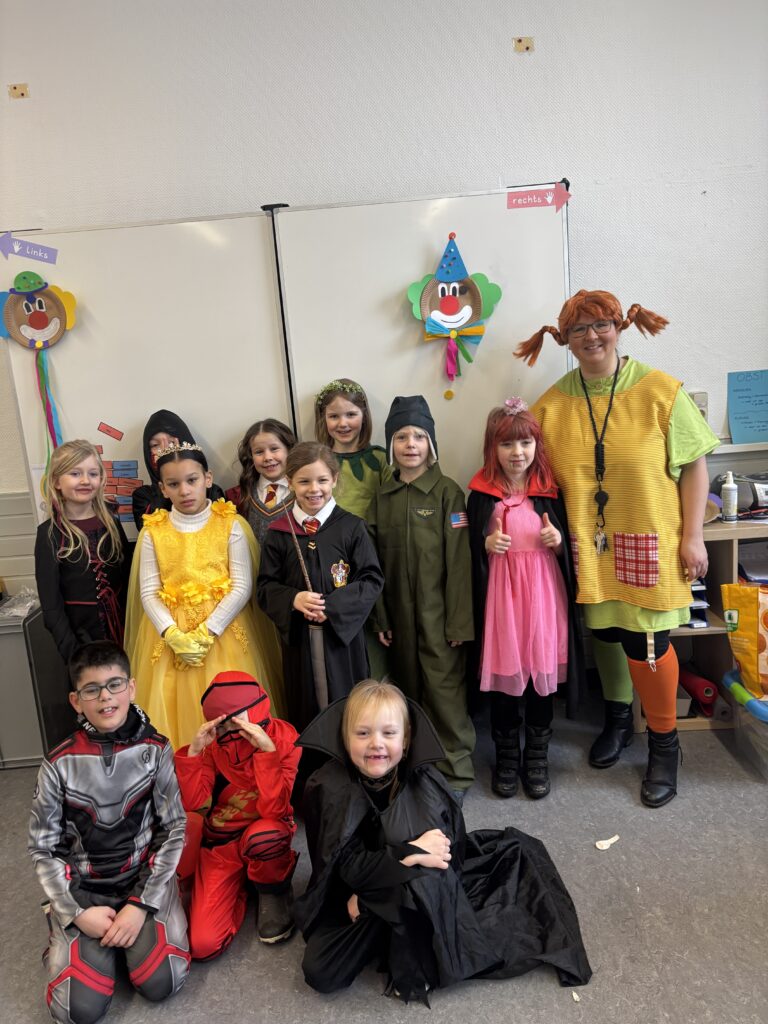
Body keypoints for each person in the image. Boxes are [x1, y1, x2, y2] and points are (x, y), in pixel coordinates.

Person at [516, 289, 719, 807]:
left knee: (645, 641)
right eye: (578, 329)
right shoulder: (552, 404)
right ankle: (618, 718)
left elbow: (695, 465)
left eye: (600, 325)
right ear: (564, 338)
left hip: (651, 536)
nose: (591, 337)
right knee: (604, 630)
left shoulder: (660, 391)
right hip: (588, 543)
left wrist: (693, 536)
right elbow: (528, 469)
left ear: (620, 327)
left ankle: (665, 745)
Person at [295, 680, 592, 1002]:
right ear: (345, 737)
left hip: (408, 893)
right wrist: (407, 854)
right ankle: (384, 924)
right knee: (321, 970)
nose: (375, 744)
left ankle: (395, 931)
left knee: (425, 875)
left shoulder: (424, 787)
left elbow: (437, 867)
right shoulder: (330, 786)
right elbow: (345, 866)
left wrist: (372, 897)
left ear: (406, 740)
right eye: (363, 733)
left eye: (388, 733)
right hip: (353, 890)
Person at [28, 641, 189, 1024]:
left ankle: (132, 930)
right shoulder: (57, 763)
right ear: (75, 700)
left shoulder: (157, 749)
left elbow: (173, 828)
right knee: (76, 1011)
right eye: (92, 689)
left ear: (131, 688)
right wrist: (77, 911)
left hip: (141, 883)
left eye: (115, 685)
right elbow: (43, 848)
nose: (105, 697)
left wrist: (140, 904)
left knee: (162, 981)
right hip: (85, 890)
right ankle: (63, 922)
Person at [125, 441, 284, 748]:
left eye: (192, 480)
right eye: (174, 484)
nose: (185, 490)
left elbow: (241, 586)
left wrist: (207, 631)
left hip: (223, 632)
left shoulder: (231, 524)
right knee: (174, 707)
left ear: (207, 479)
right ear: (163, 488)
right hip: (170, 636)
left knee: (232, 705)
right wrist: (172, 634)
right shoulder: (152, 531)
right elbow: (148, 591)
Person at [467, 400, 582, 800]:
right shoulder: (481, 494)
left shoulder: (549, 492)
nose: (517, 453)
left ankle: (536, 756)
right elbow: (467, 550)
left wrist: (557, 541)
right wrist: (485, 544)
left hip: (544, 598)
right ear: (492, 448)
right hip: (502, 601)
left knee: (540, 678)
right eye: (507, 444)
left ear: (537, 445)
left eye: (525, 443)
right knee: (506, 678)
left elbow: (569, 548)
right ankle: (506, 756)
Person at [368, 395, 475, 799]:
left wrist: (459, 623)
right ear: (390, 444)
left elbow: (459, 564)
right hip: (398, 619)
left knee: (445, 695)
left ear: (431, 442)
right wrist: (381, 617)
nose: (410, 444)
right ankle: (413, 769)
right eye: (400, 437)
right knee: (406, 694)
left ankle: (455, 773)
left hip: (440, 618)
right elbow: (374, 565)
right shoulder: (383, 497)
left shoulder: (447, 493)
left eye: (418, 436)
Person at [257, 442, 384, 731]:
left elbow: (371, 579)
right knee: (306, 709)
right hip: (300, 642)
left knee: (350, 709)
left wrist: (333, 606)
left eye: (322, 480)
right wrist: (293, 599)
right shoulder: (279, 533)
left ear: (335, 480)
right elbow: (265, 587)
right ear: (290, 482)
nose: (314, 489)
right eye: (304, 481)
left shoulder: (352, 527)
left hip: (343, 642)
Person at [175, 671, 301, 958]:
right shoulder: (214, 746)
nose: (231, 730)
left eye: (237, 720)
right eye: (223, 723)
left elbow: (275, 810)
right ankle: (242, 885)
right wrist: (194, 752)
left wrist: (267, 752)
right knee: (203, 945)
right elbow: (193, 802)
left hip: (265, 831)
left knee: (265, 837)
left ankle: (273, 888)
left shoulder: (285, 738)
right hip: (222, 841)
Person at [35, 439, 130, 663]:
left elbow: (128, 580)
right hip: (81, 640)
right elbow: (51, 606)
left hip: (124, 633)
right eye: (75, 473)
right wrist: (74, 654)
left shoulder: (112, 524)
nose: (86, 480)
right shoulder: (49, 534)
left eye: (93, 474)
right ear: (56, 481)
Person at [131, 409, 224, 529]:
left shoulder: (211, 491)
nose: (165, 449)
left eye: (171, 442)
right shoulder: (143, 497)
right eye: (155, 445)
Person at [314, 378, 392, 520]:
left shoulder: (381, 459)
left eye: (350, 414)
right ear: (323, 419)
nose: (343, 423)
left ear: (364, 416)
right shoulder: (317, 461)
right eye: (334, 416)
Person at [225, 417, 297, 546]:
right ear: (251, 456)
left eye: (274, 449)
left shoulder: (304, 492)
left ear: (289, 450)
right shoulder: (238, 497)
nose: (267, 457)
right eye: (259, 452)